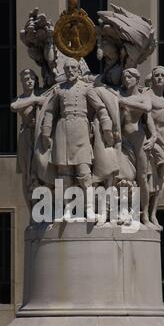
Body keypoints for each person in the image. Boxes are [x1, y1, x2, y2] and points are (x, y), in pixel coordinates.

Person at [41, 58, 114, 220]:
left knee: (84, 172)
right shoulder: (59, 90)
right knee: (64, 173)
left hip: (81, 129)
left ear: (79, 70)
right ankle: (66, 208)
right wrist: (46, 130)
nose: (71, 71)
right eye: (67, 68)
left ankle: (89, 208)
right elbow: (50, 112)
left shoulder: (87, 89)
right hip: (63, 130)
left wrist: (107, 126)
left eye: (74, 67)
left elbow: (100, 108)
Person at [118, 68, 157, 227]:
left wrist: (154, 136)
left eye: (129, 77)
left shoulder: (143, 96)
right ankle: (125, 210)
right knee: (123, 177)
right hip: (123, 140)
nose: (126, 79)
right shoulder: (120, 95)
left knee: (142, 177)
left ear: (136, 79)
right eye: (124, 77)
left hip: (139, 139)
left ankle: (145, 215)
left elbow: (147, 112)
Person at [11, 68, 45, 213]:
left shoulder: (41, 93)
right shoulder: (22, 99)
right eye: (26, 79)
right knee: (26, 174)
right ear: (22, 82)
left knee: (39, 171)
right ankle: (31, 210)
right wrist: (35, 100)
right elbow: (14, 106)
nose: (29, 81)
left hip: (39, 135)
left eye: (31, 78)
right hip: (26, 136)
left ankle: (42, 207)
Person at [146, 66, 164, 229]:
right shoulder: (147, 96)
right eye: (157, 75)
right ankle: (145, 213)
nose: (160, 78)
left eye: (163, 76)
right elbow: (147, 119)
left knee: (162, 181)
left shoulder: (162, 99)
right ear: (153, 78)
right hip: (154, 141)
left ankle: (153, 213)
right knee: (151, 180)